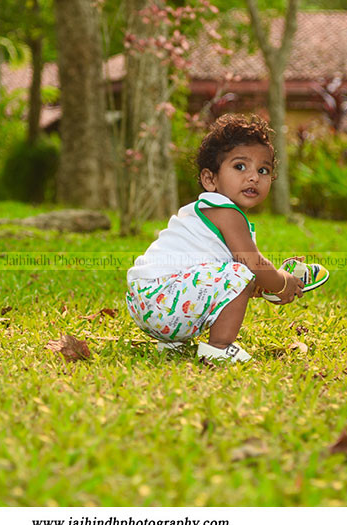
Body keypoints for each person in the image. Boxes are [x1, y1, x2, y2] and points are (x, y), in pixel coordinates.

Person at [125, 114, 328, 362]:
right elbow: (253, 264)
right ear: (210, 179)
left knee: (235, 274)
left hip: (146, 302)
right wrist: (282, 282)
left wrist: (261, 286)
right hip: (161, 298)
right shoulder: (226, 212)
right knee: (240, 272)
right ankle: (219, 348)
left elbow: (218, 282)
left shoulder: (205, 210)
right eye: (240, 166)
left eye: (263, 170)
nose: (253, 176)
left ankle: (174, 343)